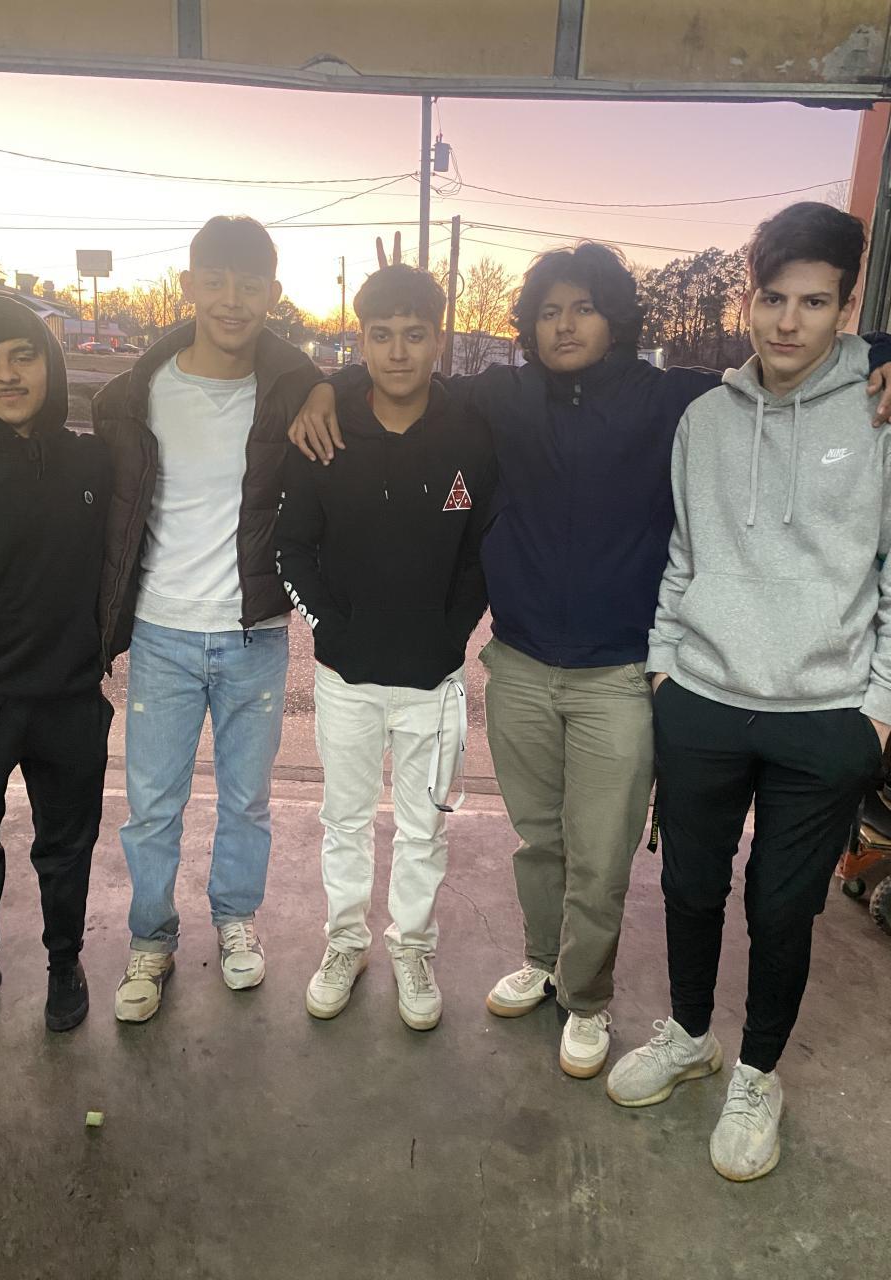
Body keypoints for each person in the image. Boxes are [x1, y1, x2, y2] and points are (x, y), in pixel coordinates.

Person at [289, 238, 891, 1078]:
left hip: (618, 674)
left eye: (583, 309)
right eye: (548, 312)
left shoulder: (669, 399)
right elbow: (404, 365)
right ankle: (542, 962)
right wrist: (326, 382)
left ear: (616, 319)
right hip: (521, 664)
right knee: (539, 843)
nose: (564, 325)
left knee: (601, 857)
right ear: (529, 326)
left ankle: (586, 998)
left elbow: (777, 363)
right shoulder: (501, 396)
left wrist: (880, 349)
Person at [606, 202, 889, 1181]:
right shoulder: (705, 420)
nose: (787, 321)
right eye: (772, 297)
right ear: (749, 297)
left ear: (848, 305)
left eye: (814, 302)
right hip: (703, 698)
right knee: (688, 885)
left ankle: (759, 1072)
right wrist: (665, 667)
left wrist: (877, 709)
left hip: (828, 717)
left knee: (780, 907)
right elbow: (685, 553)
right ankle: (690, 1035)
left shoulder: (879, 415)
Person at [93, 217, 319, 1023]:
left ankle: (235, 921)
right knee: (152, 805)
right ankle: (150, 939)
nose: (231, 300)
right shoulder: (135, 395)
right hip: (161, 633)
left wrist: (320, 382)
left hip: (256, 636)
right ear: (188, 285)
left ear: (272, 295)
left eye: (249, 285)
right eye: (215, 281)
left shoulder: (290, 391)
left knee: (247, 802)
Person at [275, 264, 495, 1029]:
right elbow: (291, 547)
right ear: (361, 341)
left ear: (439, 339)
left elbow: (483, 552)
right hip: (346, 678)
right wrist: (331, 629)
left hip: (434, 679)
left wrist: (452, 631)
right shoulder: (325, 431)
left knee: (423, 825)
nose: (398, 352)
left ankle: (412, 946)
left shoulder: (471, 433)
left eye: (414, 334)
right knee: (344, 819)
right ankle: (346, 941)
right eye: (381, 335)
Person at [0, 296, 112, 1048]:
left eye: (22, 356)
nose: (5, 375)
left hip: (68, 699)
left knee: (66, 847)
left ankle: (65, 962)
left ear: (50, 363)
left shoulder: (93, 463)